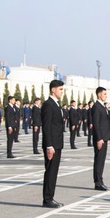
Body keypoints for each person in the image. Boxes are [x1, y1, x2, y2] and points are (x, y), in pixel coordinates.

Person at [41, 80, 66, 208]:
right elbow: (46, 127)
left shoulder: (56, 104)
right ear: (53, 90)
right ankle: (47, 199)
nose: (62, 92)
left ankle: (50, 196)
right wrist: (49, 145)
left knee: (54, 172)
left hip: (57, 143)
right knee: (50, 171)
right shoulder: (48, 105)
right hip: (52, 145)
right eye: (60, 89)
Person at [91, 87, 110, 191]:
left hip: (104, 137)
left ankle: (100, 180)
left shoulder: (102, 106)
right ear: (99, 95)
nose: (106, 95)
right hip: (100, 138)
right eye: (104, 94)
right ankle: (98, 182)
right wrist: (99, 138)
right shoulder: (96, 107)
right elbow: (96, 124)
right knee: (99, 160)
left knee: (101, 160)